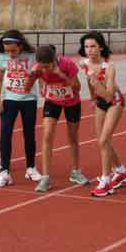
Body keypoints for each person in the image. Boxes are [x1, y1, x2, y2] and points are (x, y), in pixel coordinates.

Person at [29, 44, 88, 192]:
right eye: (41, 67)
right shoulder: (38, 68)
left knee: (72, 136)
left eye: (47, 67)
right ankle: (46, 178)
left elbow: (77, 87)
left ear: (54, 61)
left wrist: (61, 74)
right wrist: (32, 75)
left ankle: (75, 172)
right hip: (52, 101)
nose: (45, 70)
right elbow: (26, 87)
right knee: (47, 135)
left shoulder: (67, 64)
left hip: (72, 102)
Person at [78, 31, 126, 197]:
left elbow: (108, 94)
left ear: (101, 47)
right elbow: (89, 83)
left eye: (93, 46)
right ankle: (121, 171)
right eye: (86, 47)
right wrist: (93, 97)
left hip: (114, 101)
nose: (90, 50)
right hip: (100, 102)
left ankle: (106, 181)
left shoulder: (109, 67)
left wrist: (95, 80)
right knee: (102, 140)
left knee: (104, 140)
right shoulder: (84, 63)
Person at [0, 30, 40, 188]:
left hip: (29, 100)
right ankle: (4, 172)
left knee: (29, 133)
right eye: (8, 51)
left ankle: (31, 168)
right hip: (9, 99)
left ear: (21, 45)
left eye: (14, 50)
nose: (11, 54)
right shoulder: (1, 59)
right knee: (5, 134)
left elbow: (41, 73)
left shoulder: (32, 57)